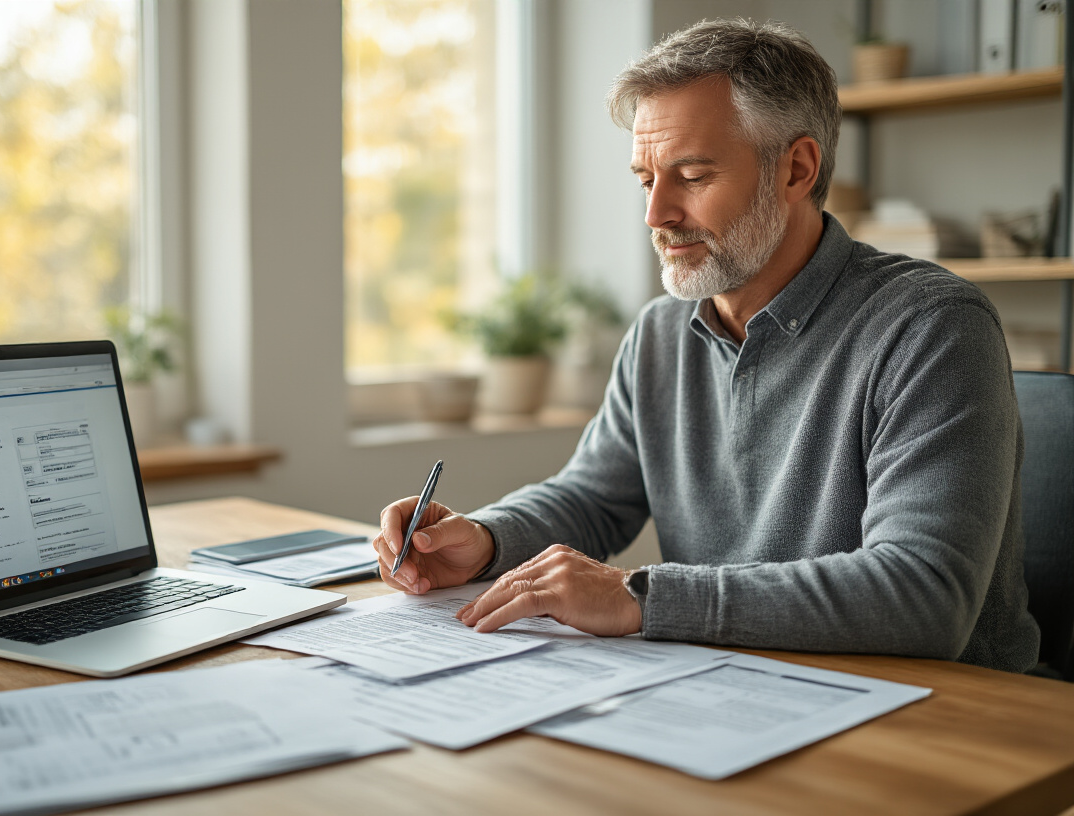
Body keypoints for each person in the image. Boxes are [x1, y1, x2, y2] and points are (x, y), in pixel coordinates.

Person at [371, 18, 1040, 673]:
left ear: (796, 169)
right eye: (645, 179)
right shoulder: (662, 333)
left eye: (691, 177)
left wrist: (640, 596)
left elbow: (923, 595)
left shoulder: (931, 327)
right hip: (737, 685)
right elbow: (591, 499)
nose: (655, 215)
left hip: (940, 717)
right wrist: (484, 540)